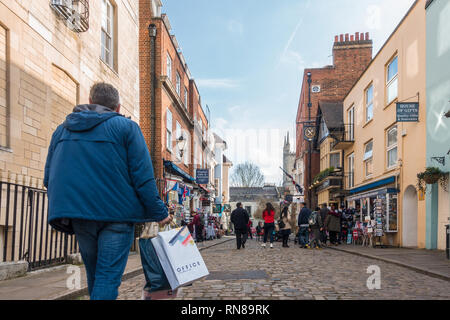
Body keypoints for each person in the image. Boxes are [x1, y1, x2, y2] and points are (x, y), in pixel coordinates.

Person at [44, 83, 171, 300]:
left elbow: (49, 177)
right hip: (117, 217)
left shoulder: (62, 130)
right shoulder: (127, 128)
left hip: (80, 215)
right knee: (107, 278)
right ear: (118, 108)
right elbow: (143, 178)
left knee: (96, 276)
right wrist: (160, 212)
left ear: (90, 102)